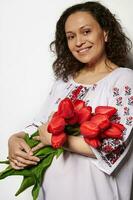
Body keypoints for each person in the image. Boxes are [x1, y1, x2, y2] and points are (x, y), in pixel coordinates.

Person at [8, 1, 133, 200]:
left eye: (86, 31)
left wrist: (59, 141)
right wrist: (16, 139)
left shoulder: (124, 79)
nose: (78, 42)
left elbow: (114, 146)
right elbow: (41, 125)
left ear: (106, 33)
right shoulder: (64, 82)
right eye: (71, 36)